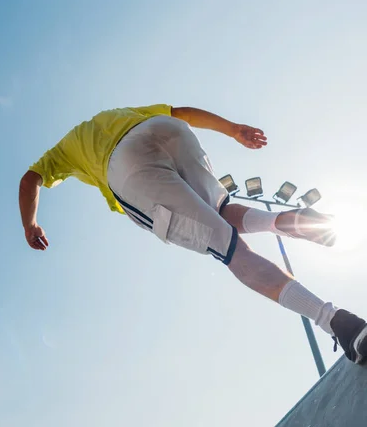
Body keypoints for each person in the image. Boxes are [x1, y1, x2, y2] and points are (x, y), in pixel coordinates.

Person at [19, 104, 367, 364]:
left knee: (232, 252)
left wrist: (30, 223)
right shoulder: (118, 113)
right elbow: (181, 112)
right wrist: (233, 129)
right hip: (165, 129)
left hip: (128, 167)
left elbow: (31, 177)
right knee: (223, 211)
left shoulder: (63, 150)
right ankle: (284, 220)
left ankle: (335, 321)